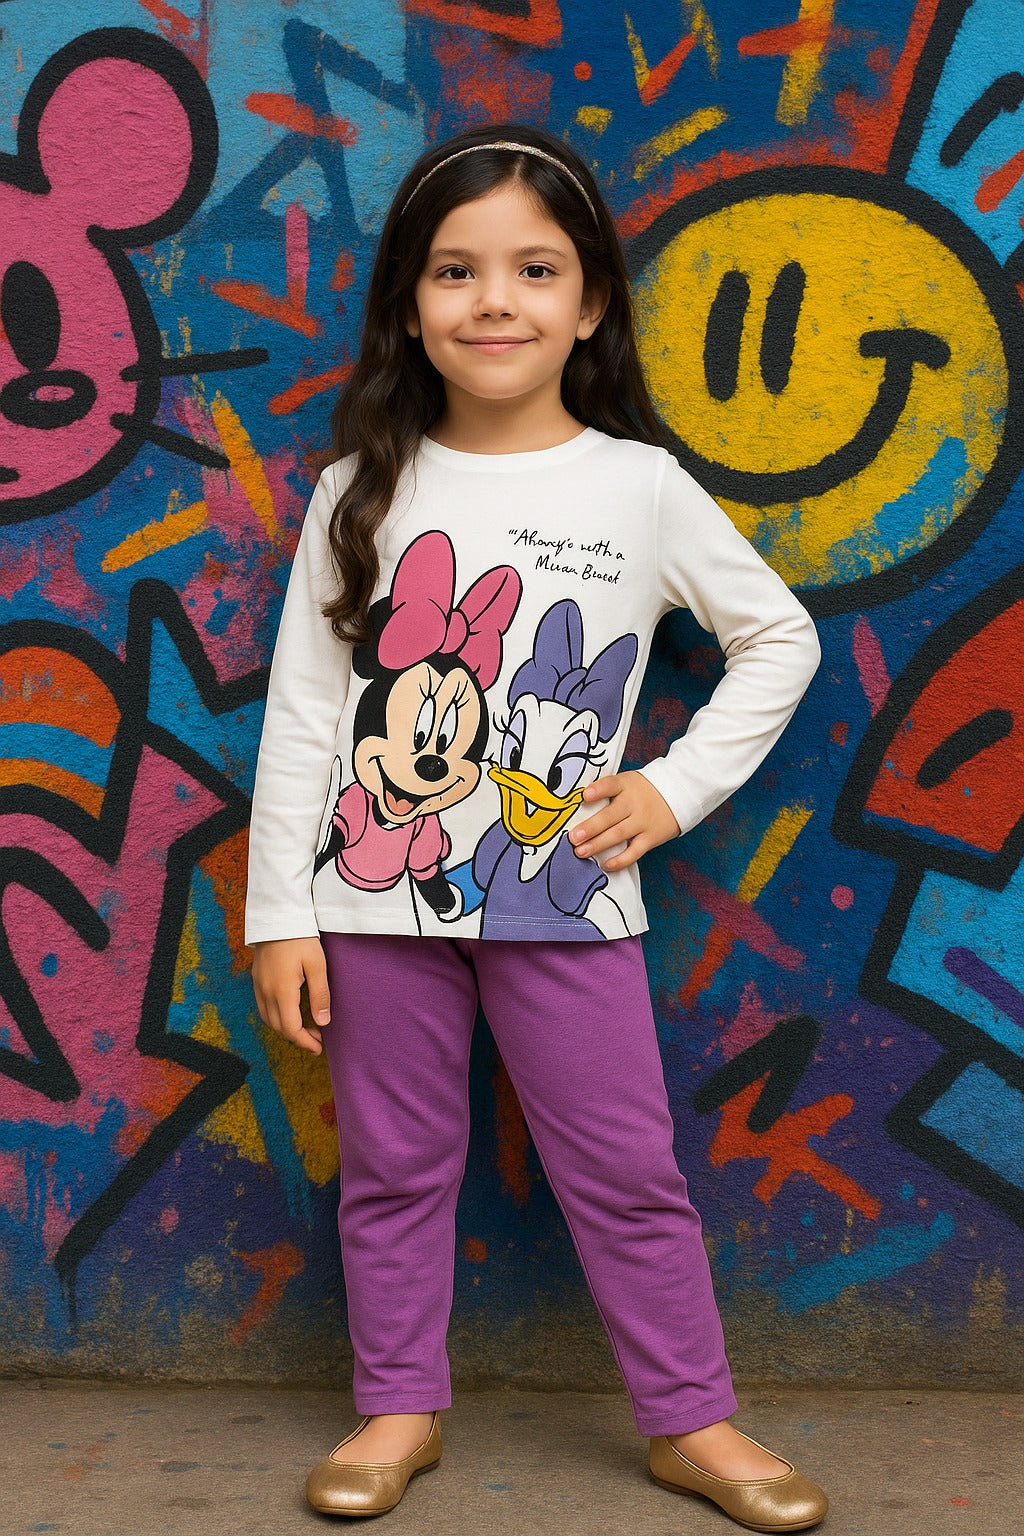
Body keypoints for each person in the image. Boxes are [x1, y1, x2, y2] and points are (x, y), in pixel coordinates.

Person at [245, 122, 828, 1530]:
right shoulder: (357, 493)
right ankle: (399, 1406)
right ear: (407, 304)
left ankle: (692, 1420)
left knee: (626, 1170)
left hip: (566, 902)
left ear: (590, 305)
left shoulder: (637, 486)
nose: (493, 300)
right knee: (391, 1167)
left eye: (532, 269)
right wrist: (282, 912)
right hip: (374, 907)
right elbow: (307, 715)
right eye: (454, 270)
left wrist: (670, 789)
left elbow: (779, 639)